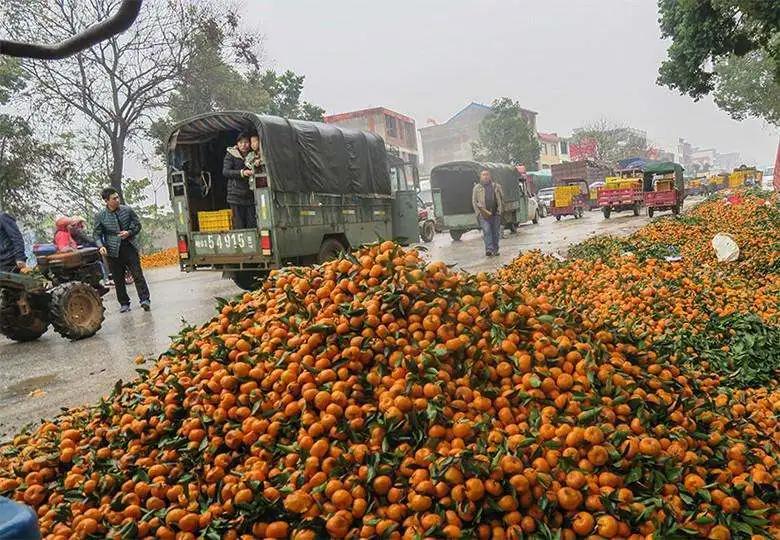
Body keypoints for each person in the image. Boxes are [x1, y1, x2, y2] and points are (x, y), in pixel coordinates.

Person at [93, 187, 150, 312]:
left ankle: (145, 300)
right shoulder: (100, 215)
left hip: (129, 246)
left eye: (117, 197)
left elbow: (137, 225)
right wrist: (101, 246)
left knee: (137, 275)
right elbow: (96, 234)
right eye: (114, 198)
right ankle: (124, 303)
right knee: (118, 279)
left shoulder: (127, 210)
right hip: (113, 250)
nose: (117, 200)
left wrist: (129, 232)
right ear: (106, 201)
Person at [223, 131, 257, 229]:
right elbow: (225, 171)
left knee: (252, 224)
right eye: (241, 142)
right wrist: (242, 173)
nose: (243, 145)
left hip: (250, 195)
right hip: (235, 196)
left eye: (246, 142)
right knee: (239, 225)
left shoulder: (253, 155)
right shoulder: (231, 154)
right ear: (237, 144)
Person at [69, 215, 112, 284]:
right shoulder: (78, 231)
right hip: (82, 249)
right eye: (81, 222)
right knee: (101, 255)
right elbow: (88, 240)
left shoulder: (71, 231)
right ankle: (106, 277)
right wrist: (99, 243)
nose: (82, 224)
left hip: (79, 248)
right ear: (78, 223)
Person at [472, 169, 505, 257]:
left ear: (490, 176)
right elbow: (474, 201)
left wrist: (500, 211)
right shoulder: (477, 188)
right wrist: (478, 213)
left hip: (495, 214)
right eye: (483, 175)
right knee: (487, 231)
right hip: (483, 214)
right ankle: (489, 249)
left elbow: (501, 199)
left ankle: (495, 249)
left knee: (495, 232)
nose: (485, 176)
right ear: (481, 177)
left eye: (487, 174)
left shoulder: (496, 186)